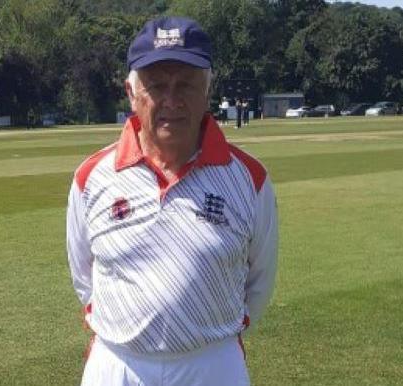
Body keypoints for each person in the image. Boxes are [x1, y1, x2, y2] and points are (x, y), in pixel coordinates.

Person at [66, 16, 278, 386]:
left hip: (212, 364)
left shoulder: (250, 178)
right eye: (157, 85)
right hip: (118, 365)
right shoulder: (91, 176)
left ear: (207, 92)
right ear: (131, 93)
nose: (171, 100)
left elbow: (258, 283)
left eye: (186, 85)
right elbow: (85, 279)